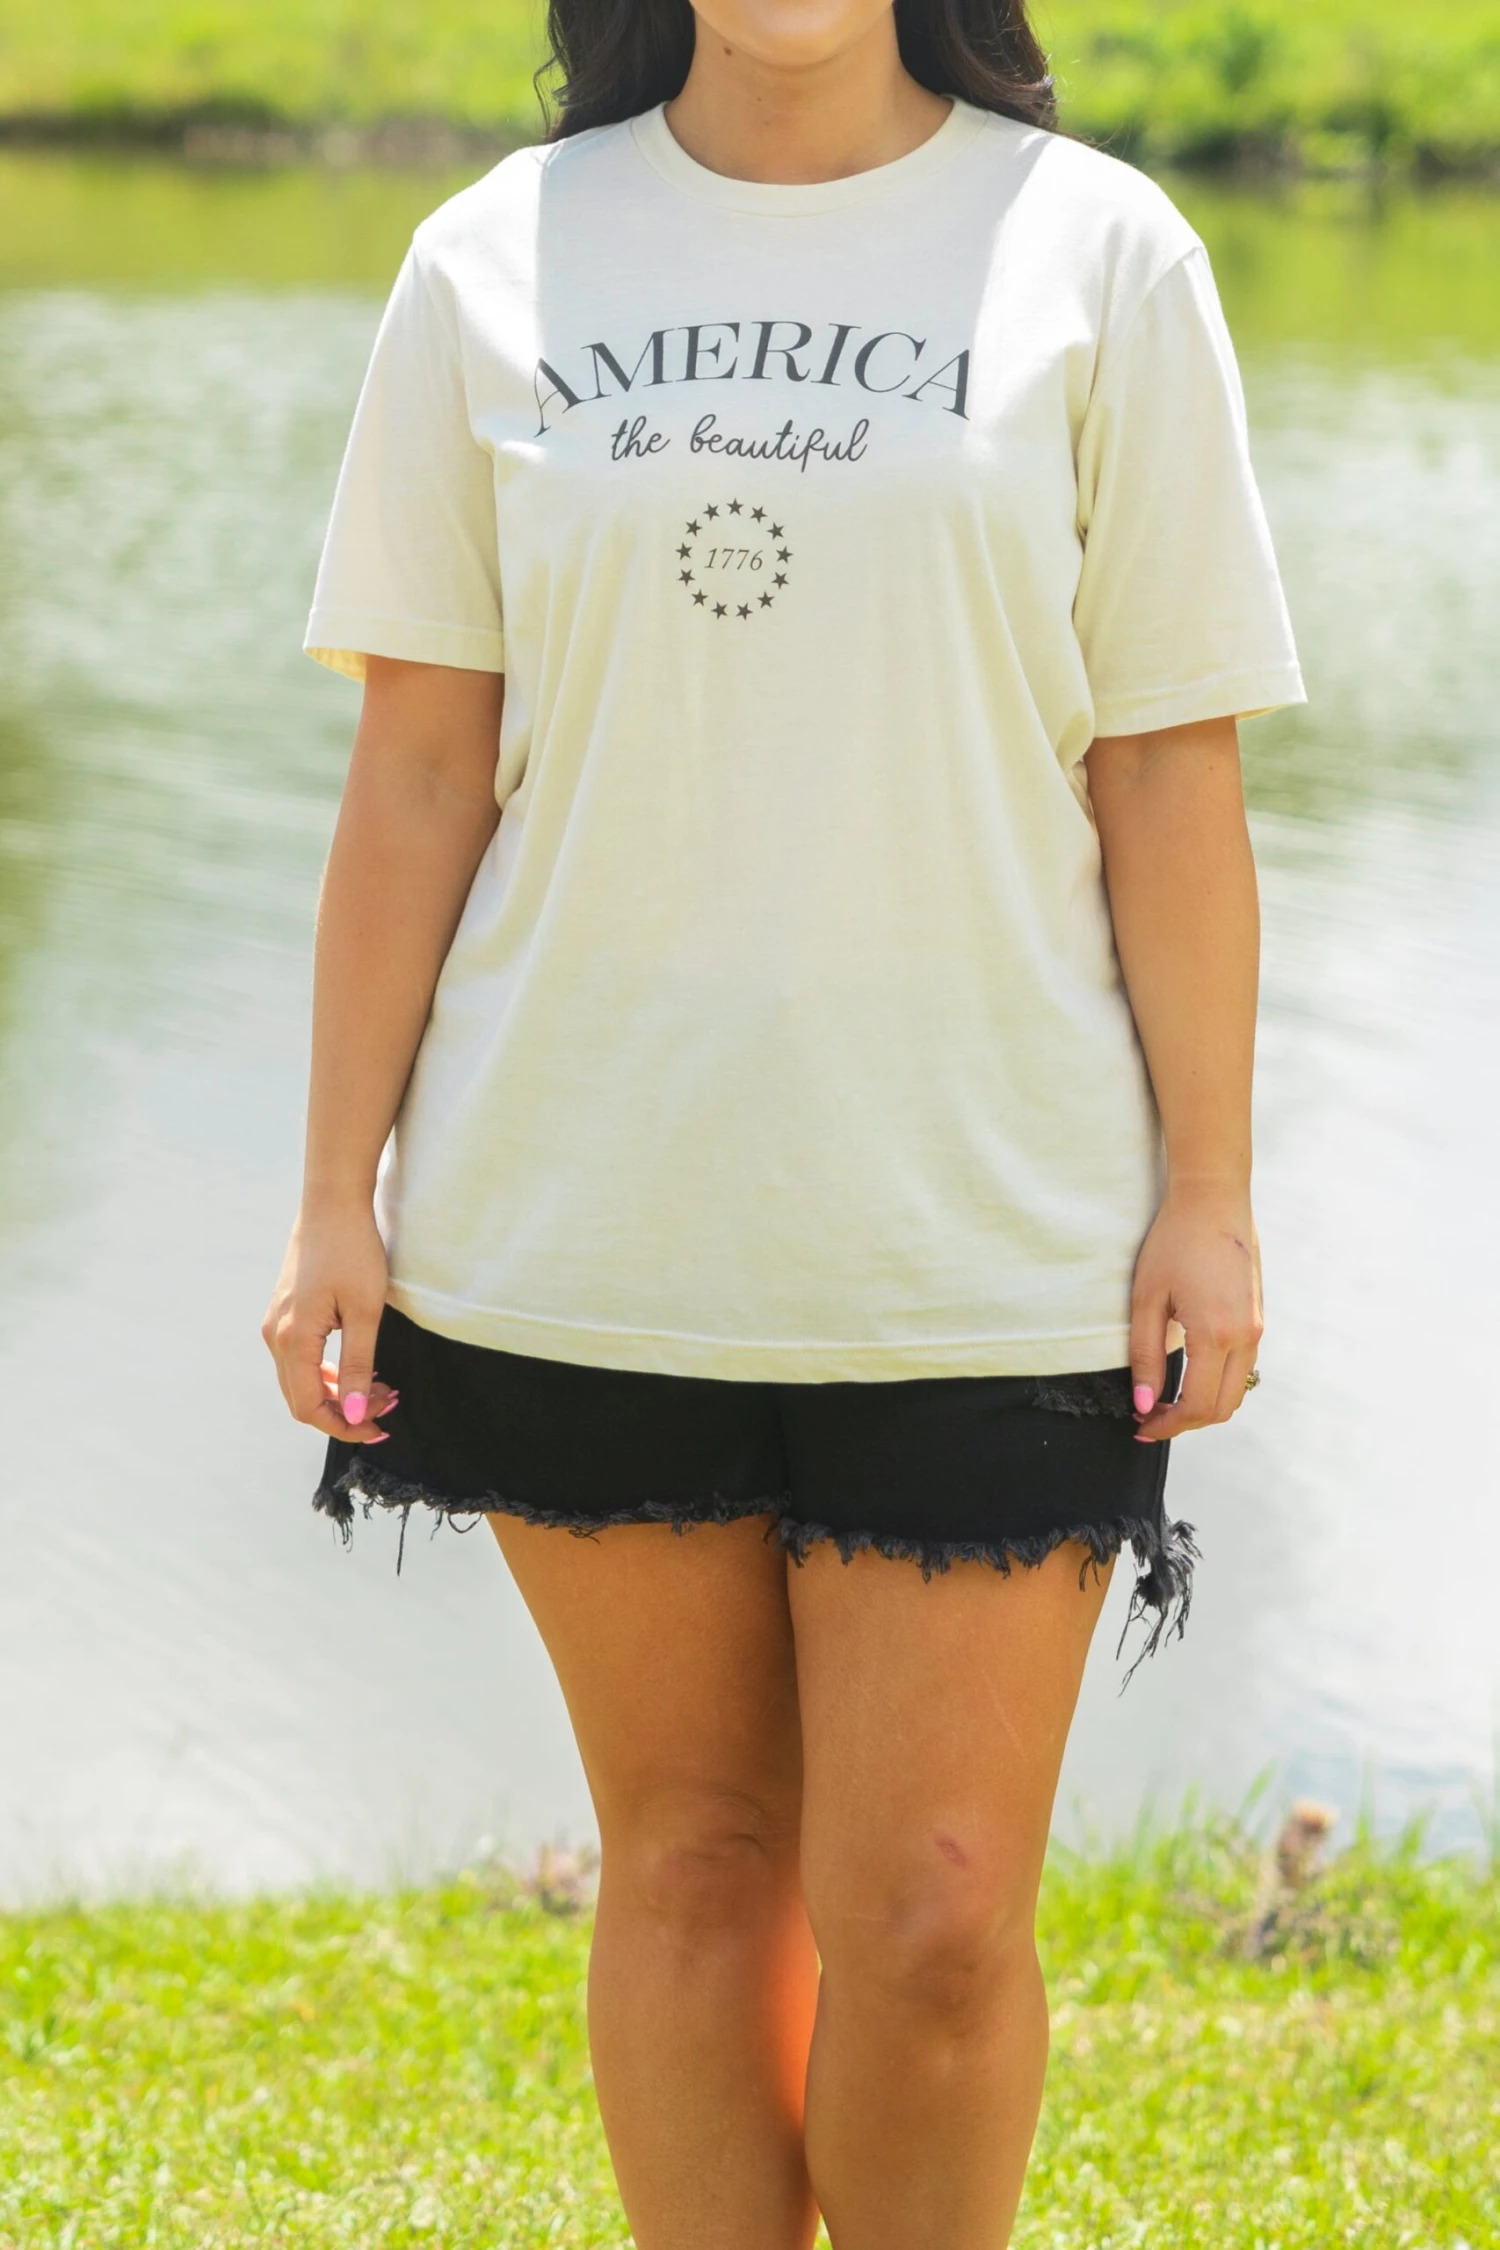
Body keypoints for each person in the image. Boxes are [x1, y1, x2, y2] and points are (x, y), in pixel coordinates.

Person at [264, 2, 1302, 2241]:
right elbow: (421, 771)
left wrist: (1212, 1191)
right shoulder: (488, 258)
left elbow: (1168, 769)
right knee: (692, 1865)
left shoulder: (1105, 254)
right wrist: (335, 1189)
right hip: (584, 1214)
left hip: (989, 1229)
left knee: (935, 1914)